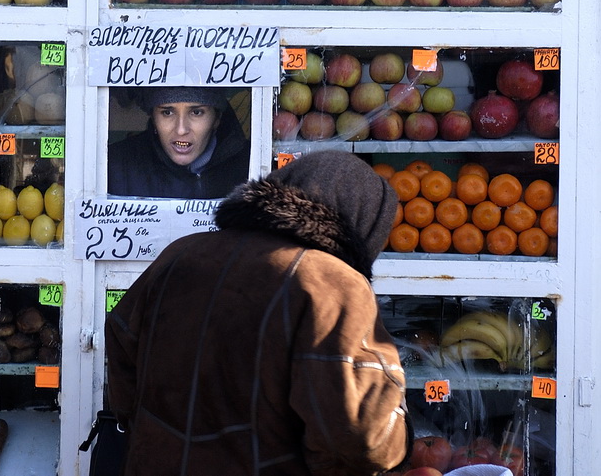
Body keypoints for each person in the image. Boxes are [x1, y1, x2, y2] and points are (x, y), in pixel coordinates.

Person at [104, 150, 412, 476]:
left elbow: (121, 341)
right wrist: (400, 432)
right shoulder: (333, 283)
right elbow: (362, 436)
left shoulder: (180, 253)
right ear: (364, 227)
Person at [107, 86, 249, 199]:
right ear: (154, 118)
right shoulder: (115, 166)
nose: (181, 129)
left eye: (197, 112)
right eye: (167, 113)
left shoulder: (252, 166)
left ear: (216, 119)